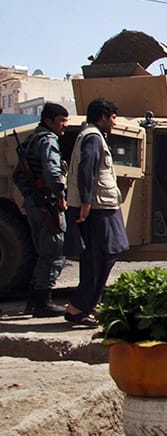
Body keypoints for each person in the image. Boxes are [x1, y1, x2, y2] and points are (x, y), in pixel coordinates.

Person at [63, 98, 129, 327]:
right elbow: (87, 169)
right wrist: (85, 202)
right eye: (112, 117)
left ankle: (88, 305)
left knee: (100, 256)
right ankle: (78, 307)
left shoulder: (92, 135)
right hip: (99, 206)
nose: (114, 122)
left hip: (101, 204)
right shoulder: (92, 137)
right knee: (103, 254)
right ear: (102, 117)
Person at [17, 102, 70, 317]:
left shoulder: (31, 140)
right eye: (61, 121)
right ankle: (43, 302)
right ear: (48, 121)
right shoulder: (48, 140)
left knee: (43, 252)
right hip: (48, 204)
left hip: (36, 202)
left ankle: (34, 301)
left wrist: (31, 195)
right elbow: (52, 171)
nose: (64, 126)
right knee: (54, 251)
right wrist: (60, 196)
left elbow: (18, 176)